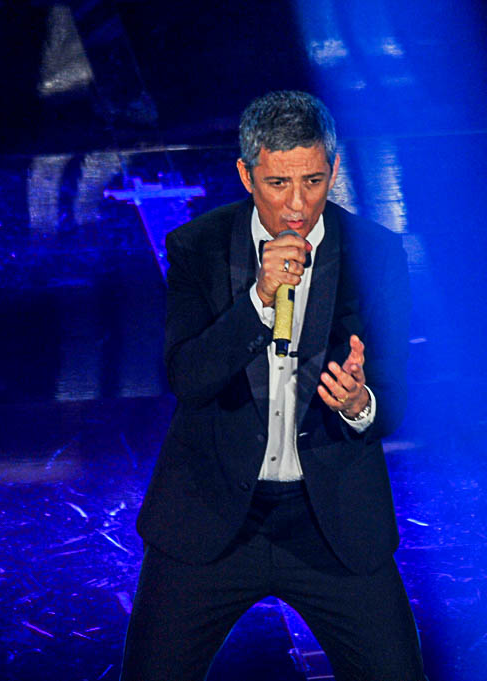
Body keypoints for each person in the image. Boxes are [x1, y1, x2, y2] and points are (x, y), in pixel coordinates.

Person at [122, 90, 424, 681]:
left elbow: (390, 402)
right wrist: (259, 301)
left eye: (313, 181)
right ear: (246, 175)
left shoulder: (376, 256)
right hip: (212, 516)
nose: (297, 205)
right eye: (278, 184)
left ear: (334, 169)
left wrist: (359, 404)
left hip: (330, 521)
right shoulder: (199, 248)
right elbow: (187, 377)